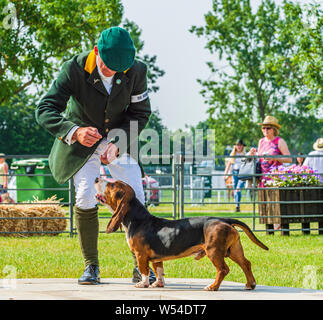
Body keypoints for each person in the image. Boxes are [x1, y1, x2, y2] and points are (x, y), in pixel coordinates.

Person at [36, 27, 156, 285]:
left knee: (137, 191)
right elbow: (45, 108)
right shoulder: (73, 68)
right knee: (84, 194)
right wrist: (74, 131)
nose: (113, 72)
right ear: (96, 51)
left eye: (119, 68)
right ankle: (91, 266)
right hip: (81, 142)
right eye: (109, 66)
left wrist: (117, 141)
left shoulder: (137, 70)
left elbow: (140, 113)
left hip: (117, 140)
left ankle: (142, 265)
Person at [249, 116, 292, 232]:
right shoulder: (261, 141)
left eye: (268, 128)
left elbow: (289, 159)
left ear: (274, 129)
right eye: (263, 128)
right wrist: (253, 154)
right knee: (265, 204)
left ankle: (278, 226)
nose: (265, 130)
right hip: (263, 178)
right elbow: (260, 158)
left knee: (276, 203)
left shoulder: (279, 141)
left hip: (275, 177)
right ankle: (270, 228)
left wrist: (274, 157)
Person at [223, 139, 246, 212]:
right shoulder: (233, 155)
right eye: (237, 145)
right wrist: (225, 174)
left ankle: (237, 204)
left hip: (242, 173)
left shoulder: (245, 155)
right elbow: (229, 165)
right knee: (235, 189)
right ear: (235, 146)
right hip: (234, 172)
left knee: (238, 188)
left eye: (240, 145)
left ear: (242, 146)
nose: (239, 147)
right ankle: (237, 205)